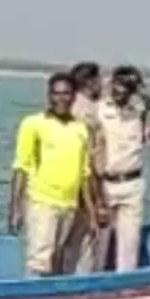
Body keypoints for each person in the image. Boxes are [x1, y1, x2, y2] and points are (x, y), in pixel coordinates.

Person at [7, 72, 102, 277]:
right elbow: (21, 167)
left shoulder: (81, 129)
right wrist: (15, 208)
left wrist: (92, 213)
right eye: (56, 94)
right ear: (49, 96)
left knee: (58, 258)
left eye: (66, 93)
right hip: (41, 201)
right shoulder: (33, 124)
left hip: (68, 205)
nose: (61, 99)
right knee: (40, 260)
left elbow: (85, 174)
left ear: (74, 96)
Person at [85, 66, 150, 272]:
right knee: (98, 245)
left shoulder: (139, 111)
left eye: (127, 87)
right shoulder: (99, 109)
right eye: (118, 85)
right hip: (104, 184)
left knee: (129, 245)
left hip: (132, 184)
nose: (121, 91)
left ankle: (124, 285)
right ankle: (96, 284)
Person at [59, 61, 103, 272]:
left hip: (70, 180)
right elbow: (89, 154)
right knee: (84, 237)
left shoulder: (70, 107)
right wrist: (96, 197)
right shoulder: (85, 110)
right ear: (89, 82)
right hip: (84, 181)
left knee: (73, 238)